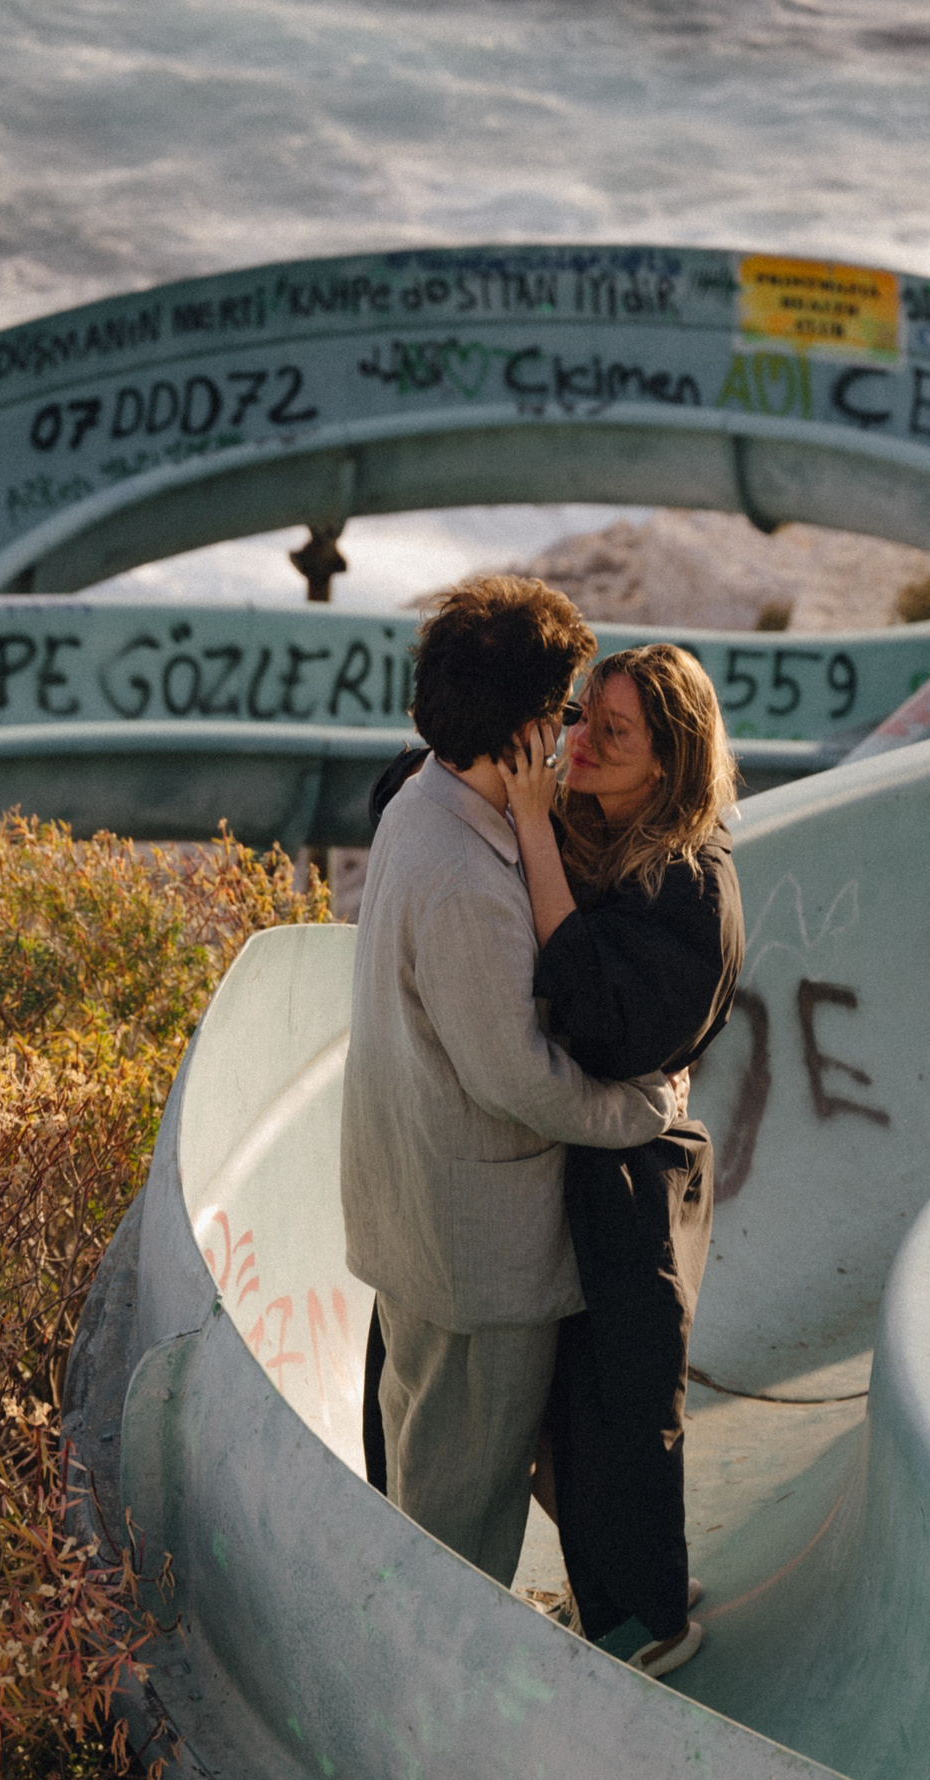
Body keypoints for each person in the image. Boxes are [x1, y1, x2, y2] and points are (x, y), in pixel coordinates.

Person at [340, 578, 675, 1590]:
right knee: (453, 1536)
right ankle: (425, 1712)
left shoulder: (422, 805)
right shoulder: (466, 880)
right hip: (474, 1257)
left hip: (417, 1220)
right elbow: (516, 1078)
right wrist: (640, 1107)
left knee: (422, 1480)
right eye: (567, 712)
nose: (574, 730)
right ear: (528, 731)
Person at [502, 644, 745, 1679]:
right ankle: (633, 1586)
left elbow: (603, 1021)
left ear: (669, 761)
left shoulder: (691, 883)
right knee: (557, 1405)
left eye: (615, 733)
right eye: (582, 718)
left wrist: (527, 825)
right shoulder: (593, 829)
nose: (583, 744)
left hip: (641, 1178)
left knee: (621, 1406)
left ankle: (651, 1620)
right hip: (577, 1167)